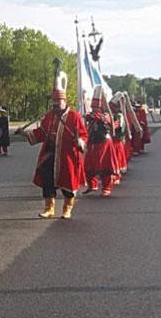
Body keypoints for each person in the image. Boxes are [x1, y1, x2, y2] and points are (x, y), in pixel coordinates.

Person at [24, 71, 87, 219]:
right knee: (47, 180)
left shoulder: (74, 117)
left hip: (67, 156)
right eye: (54, 103)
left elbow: (83, 134)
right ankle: (49, 208)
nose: (56, 106)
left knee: (68, 183)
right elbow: (42, 132)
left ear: (64, 101)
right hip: (50, 154)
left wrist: (80, 142)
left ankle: (67, 208)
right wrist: (26, 133)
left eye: (58, 103)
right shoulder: (50, 116)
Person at [84, 87, 119, 197]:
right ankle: (92, 185)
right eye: (93, 107)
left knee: (105, 167)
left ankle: (106, 188)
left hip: (104, 143)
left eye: (96, 107)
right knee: (88, 166)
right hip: (93, 143)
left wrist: (92, 116)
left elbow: (103, 119)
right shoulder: (91, 116)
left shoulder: (106, 115)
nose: (94, 109)